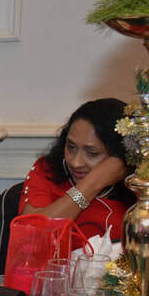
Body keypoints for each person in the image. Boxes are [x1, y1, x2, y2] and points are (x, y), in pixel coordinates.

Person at [18, 98, 134, 240]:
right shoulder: (48, 170)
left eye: (92, 153)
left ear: (120, 156)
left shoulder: (139, 185)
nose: (76, 162)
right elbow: (31, 236)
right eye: (71, 147)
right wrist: (93, 183)